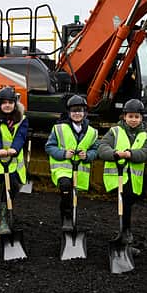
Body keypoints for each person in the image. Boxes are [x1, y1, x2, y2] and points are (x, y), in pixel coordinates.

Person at [97, 99, 147, 246]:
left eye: (137, 117)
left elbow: (145, 153)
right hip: (117, 177)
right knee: (125, 201)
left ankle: (125, 232)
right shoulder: (114, 132)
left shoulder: (146, 136)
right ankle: (125, 232)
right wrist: (114, 154)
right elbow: (102, 148)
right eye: (130, 116)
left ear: (141, 118)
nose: (133, 120)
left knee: (128, 200)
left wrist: (130, 155)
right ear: (124, 117)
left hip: (135, 180)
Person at [45, 95, 99, 231]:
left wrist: (87, 156)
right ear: (69, 113)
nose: (77, 113)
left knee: (73, 195)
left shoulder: (92, 132)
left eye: (80, 110)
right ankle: (67, 218)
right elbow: (49, 147)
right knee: (65, 187)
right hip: (62, 168)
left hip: (79, 170)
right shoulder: (59, 128)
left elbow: (95, 150)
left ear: (85, 113)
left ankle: (71, 221)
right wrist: (63, 154)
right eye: (74, 111)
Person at [0, 87, 28, 234]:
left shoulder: (22, 119)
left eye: (10, 102)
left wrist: (15, 149)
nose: (7, 105)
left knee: (14, 186)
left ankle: (4, 215)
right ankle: (3, 220)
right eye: (4, 103)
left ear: (15, 104)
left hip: (15, 162)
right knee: (5, 184)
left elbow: (21, 136)